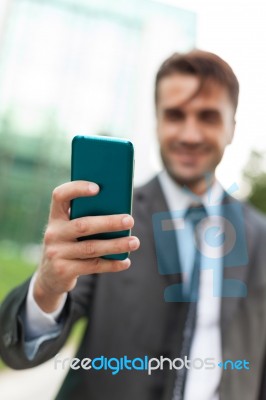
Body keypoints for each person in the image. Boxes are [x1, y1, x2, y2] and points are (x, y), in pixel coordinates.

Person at [0, 50, 266, 400]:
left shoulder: (259, 236)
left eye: (208, 117)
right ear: (156, 121)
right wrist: (48, 287)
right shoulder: (105, 220)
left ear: (232, 128)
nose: (189, 134)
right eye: (174, 115)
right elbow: (20, 350)